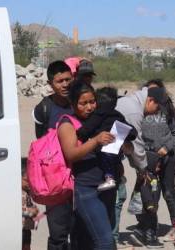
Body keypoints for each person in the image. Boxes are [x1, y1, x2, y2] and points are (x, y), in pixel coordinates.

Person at [57, 81, 117, 250]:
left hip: (107, 188)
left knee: (91, 240)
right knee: (105, 242)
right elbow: (71, 154)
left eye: (92, 101)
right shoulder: (67, 124)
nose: (89, 107)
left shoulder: (101, 120)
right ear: (73, 104)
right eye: (83, 103)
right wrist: (96, 140)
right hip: (86, 189)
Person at [116, 86, 168, 248]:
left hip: (113, 155)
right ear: (150, 100)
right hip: (103, 157)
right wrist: (143, 169)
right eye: (156, 108)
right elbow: (136, 145)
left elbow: (129, 146)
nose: (155, 112)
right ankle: (109, 238)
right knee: (117, 196)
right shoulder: (134, 112)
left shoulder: (132, 104)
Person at [32, 60, 73, 250]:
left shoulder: (80, 102)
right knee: (58, 235)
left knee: (82, 231)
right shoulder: (43, 109)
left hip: (81, 178)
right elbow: (40, 144)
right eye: (59, 81)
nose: (65, 85)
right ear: (50, 84)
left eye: (68, 79)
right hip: (55, 181)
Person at [141, 79, 175, 242]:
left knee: (168, 192)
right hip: (146, 159)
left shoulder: (168, 109)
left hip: (167, 158)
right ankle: (150, 229)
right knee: (150, 195)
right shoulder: (141, 110)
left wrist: (166, 149)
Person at [76, 87, 137, 191]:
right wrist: (125, 136)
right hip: (116, 150)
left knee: (106, 163)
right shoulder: (117, 115)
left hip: (103, 150)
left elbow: (87, 129)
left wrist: (78, 134)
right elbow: (132, 131)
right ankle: (114, 179)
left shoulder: (97, 115)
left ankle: (109, 179)